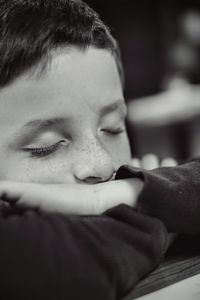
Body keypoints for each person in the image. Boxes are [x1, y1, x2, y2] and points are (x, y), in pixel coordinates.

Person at [0, 1, 199, 300]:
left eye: (112, 128)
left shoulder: (123, 181)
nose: (102, 164)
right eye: (47, 146)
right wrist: (164, 212)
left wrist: (128, 193)